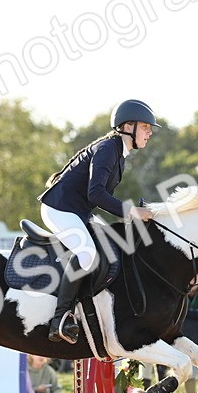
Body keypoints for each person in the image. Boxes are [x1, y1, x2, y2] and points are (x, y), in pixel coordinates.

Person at [39, 99, 159, 343]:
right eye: (146, 127)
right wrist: (132, 212)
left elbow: (100, 197)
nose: (149, 133)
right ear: (129, 126)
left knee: (113, 246)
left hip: (79, 211)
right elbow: (97, 194)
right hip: (58, 209)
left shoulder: (119, 153)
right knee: (87, 254)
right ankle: (59, 319)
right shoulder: (107, 149)